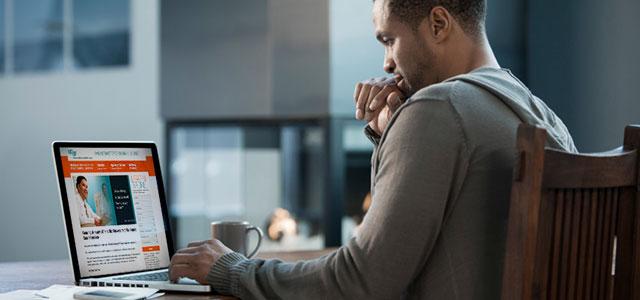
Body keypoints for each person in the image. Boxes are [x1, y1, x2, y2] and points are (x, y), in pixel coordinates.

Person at [169, 0, 577, 298]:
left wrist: (233, 270)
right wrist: (390, 132)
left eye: (389, 40)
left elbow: (362, 280)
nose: (385, 63)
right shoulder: (541, 115)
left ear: (438, 23)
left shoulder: (439, 108)